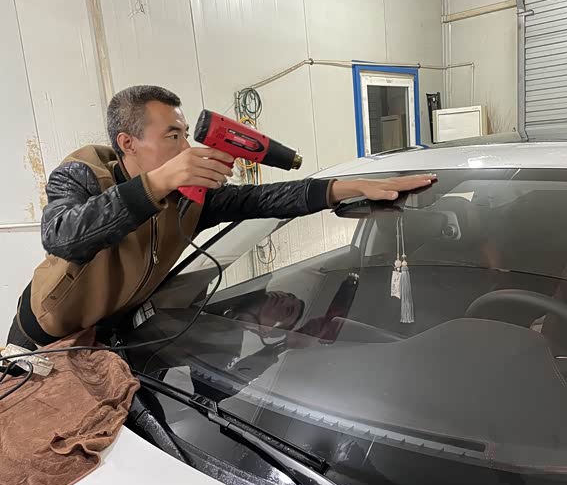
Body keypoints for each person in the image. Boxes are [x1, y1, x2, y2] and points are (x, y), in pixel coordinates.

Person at [8, 85, 436, 350]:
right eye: (172, 136)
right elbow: (62, 235)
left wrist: (349, 186)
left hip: (110, 333)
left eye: (184, 134)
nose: (185, 147)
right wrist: (158, 182)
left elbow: (263, 200)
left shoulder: (189, 199)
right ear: (128, 142)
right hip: (43, 331)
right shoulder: (83, 174)